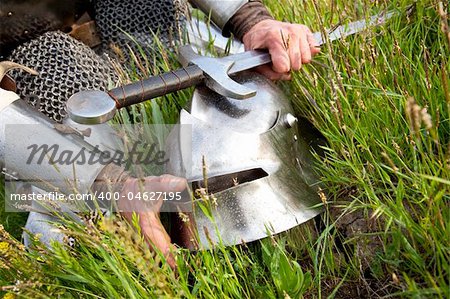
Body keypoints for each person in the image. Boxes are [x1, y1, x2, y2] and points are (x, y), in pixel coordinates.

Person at [0, 0, 320, 268]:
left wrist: (250, 19)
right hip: (34, 69)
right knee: (66, 226)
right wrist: (107, 180)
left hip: (132, 24)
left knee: (246, 109)